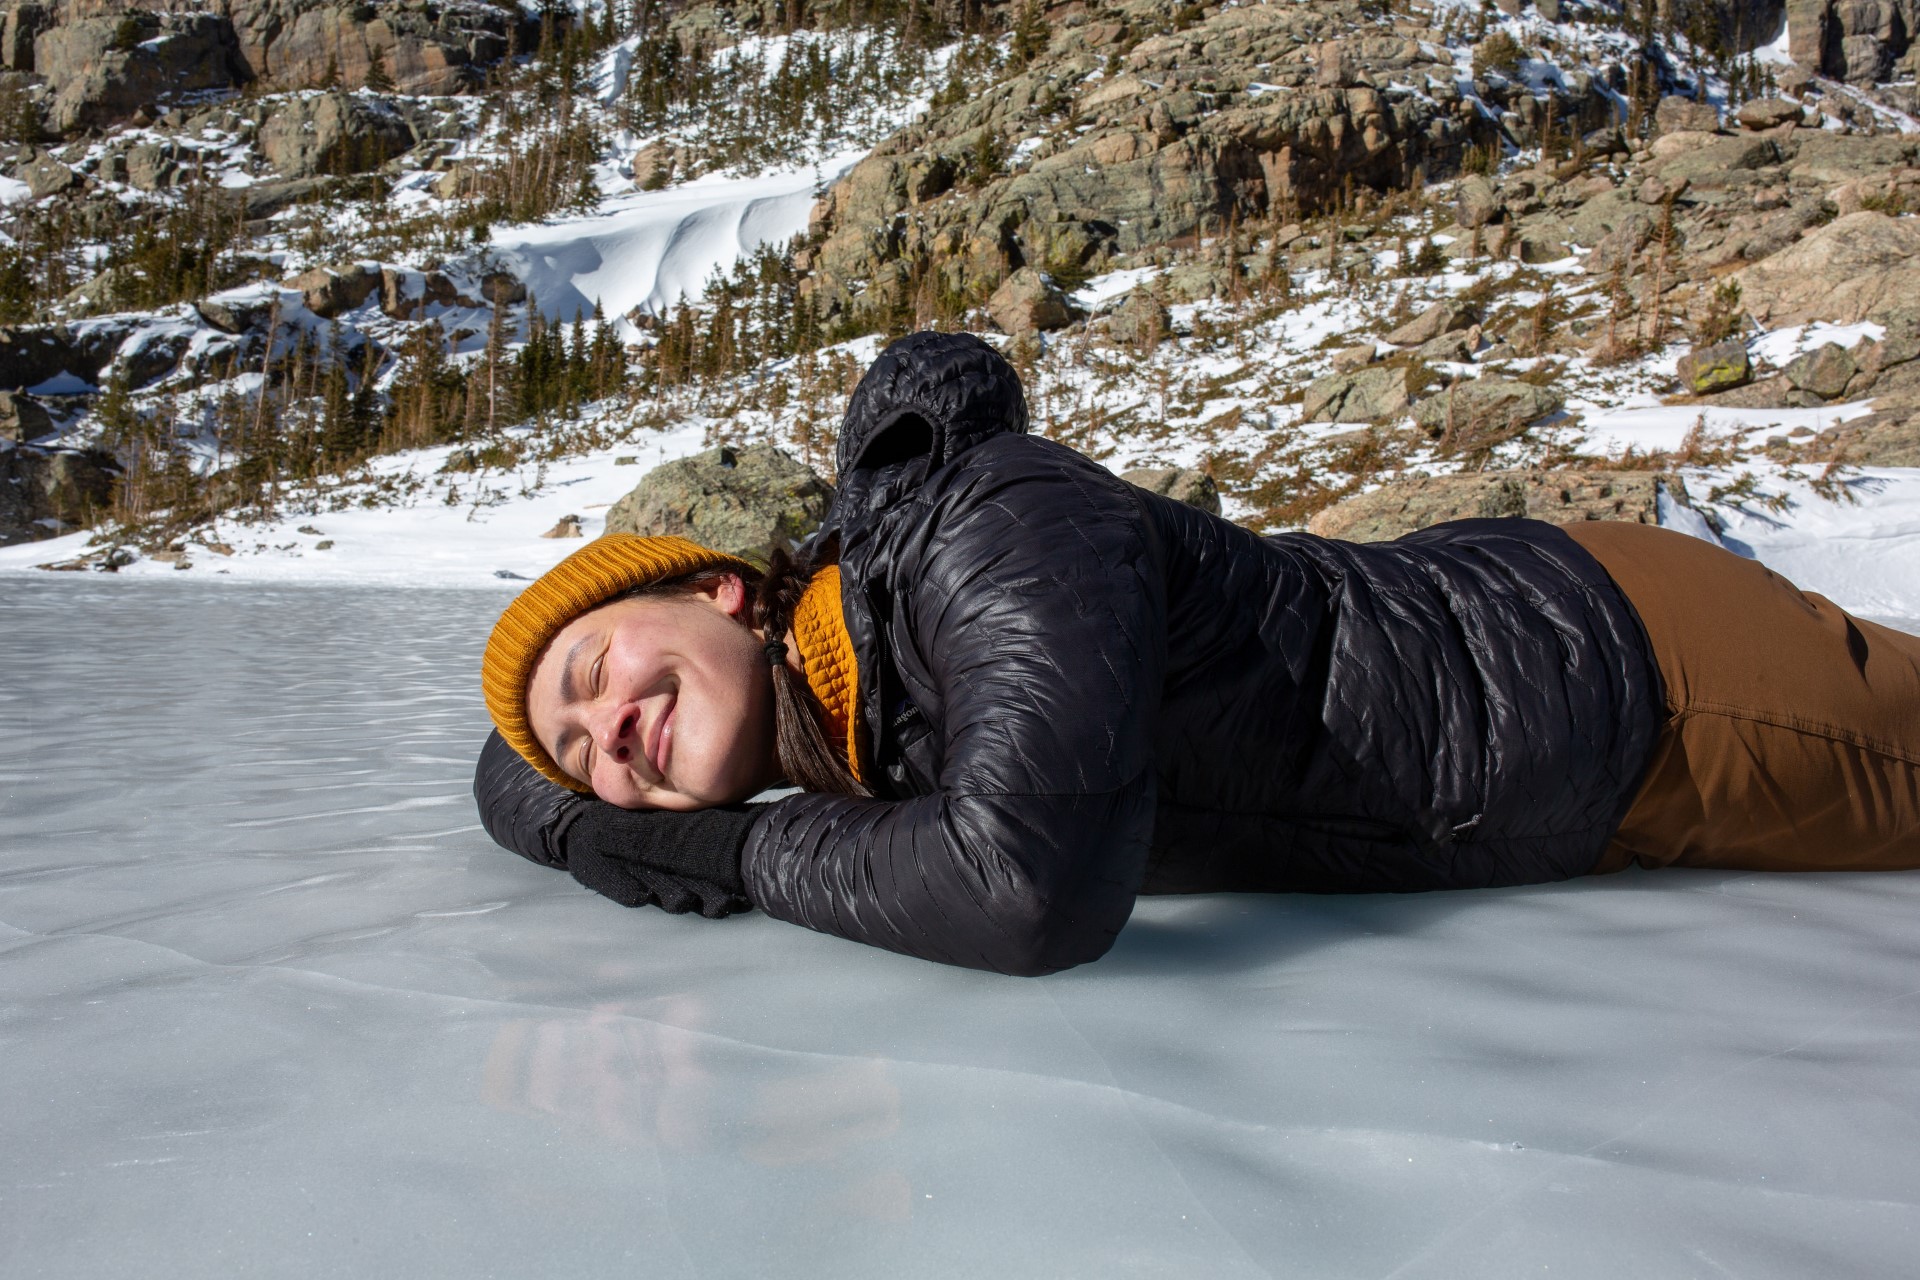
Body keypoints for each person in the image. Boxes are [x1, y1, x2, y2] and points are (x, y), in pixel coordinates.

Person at [473, 331, 1920, 975]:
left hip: (1629, 681)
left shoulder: (978, 526)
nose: (613, 734)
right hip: (1557, 781)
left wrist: (718, 860)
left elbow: (1027, 887)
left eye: (600, 670)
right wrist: (582, 823)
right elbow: (504, 766)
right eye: (589, 758)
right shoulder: (840, 718)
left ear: (720, 589)